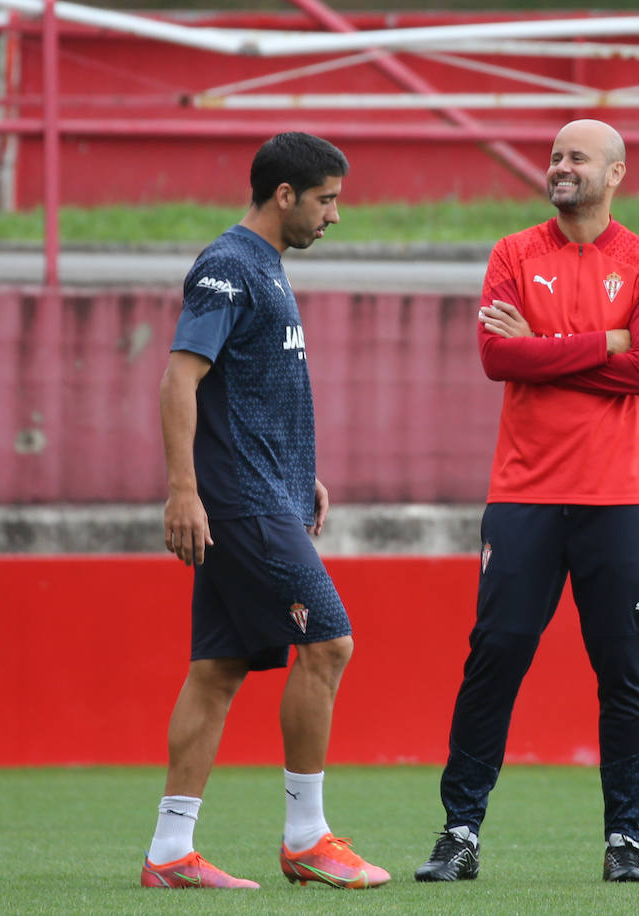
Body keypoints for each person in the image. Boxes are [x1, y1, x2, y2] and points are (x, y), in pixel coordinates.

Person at [413, 119, 639, 885]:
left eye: (578, 158)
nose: (561, 166)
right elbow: (499, 356)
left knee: (624, 668)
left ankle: (624, 841)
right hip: (524, 494)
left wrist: (547, 347)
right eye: (556, 155)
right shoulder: (513, 253)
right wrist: (606, 343)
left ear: (616, 173)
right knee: (494, 657)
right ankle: (460, 832)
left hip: (622, 498)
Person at [141, 131, 390, 891]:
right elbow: (179, 381)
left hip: (268, 493)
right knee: (330, 645)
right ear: (285, 195)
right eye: (327, 199)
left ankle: (169, 854)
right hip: (240, 504)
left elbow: (255, 389)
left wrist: (301, 475)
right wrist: (183, 490)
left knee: (216, 670)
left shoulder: (266, 268)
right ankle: (306, 837)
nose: (334, 216)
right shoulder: (228, 266)